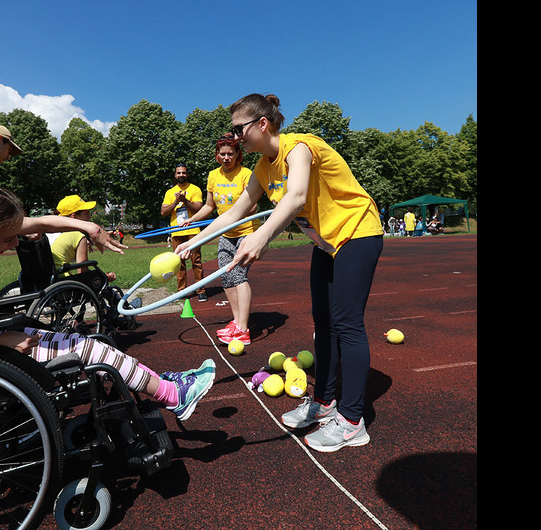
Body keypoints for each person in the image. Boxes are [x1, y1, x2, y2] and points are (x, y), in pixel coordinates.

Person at [174, 93, 383, 453]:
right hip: (326, 243)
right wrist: (194, 240)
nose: (235, 136)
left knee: (347, 322)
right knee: (323, 320)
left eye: (239, 129)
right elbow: (234, 212)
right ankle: (326, 401)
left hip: (357, 233)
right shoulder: (262, 168)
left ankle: (352, 422)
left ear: (262, 124)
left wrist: (261, 235)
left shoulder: (299, 148)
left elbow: (296, 196)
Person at [0, 182, 216, 421]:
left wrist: (87, 226)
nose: (15, 243)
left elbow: (40, 223)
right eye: (8, 239)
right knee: (93, 352)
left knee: (94, 344)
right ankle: (174, 396)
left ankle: (159, 383)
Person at [183, 135, 259, 344]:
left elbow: (252, 206)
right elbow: (209, 206)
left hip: (246, 231)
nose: (226, 157)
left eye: (230, 154)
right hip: (226, 234)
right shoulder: (213, 176)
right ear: (217, 155)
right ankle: (236, 321)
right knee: (226, 275)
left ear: (237, 155)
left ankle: (243, 329)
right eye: (222, 154)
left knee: (238, 276)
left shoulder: (246, 174)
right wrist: (191, 220)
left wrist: (234, 215)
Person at [161, 164, 207, 301]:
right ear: (175, 175)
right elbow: (163, 212)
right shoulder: (170, 192)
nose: (181, 175)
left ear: (187, 174)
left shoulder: (195, 189)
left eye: (184, 173)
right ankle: (182, 291)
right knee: (179, 263)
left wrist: (185, 201)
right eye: (179, 173)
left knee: (196, 261)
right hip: (177, 231)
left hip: (192, 230)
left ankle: (201, 290)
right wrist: (176, 201)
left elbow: (199, 208)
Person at [50, 194, 114, 281]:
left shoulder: (49, 233)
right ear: (73, 216)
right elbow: (83, 274)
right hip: (63, 282)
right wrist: (105, 278)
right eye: (86, 213)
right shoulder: (77, 236)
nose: (90, 216)